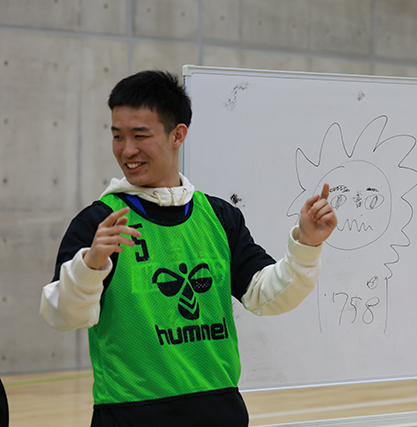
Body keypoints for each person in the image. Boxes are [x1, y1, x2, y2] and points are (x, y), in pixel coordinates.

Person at [39, 70, 337, 426]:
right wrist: (91, 265)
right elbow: (63, 315)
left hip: (220, 413)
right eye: (118, 136)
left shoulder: (220, 217)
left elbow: (267, 296)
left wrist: (306, 245)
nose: (127, 150)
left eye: (140, 136)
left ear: (177, 135)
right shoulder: (98, 223)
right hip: (130, 417)